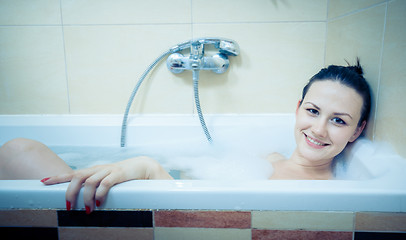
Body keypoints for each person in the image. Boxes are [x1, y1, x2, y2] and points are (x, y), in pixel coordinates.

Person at [0, 59, 372, 213]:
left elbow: (192, 216)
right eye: (312, 111)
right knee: (20, 150)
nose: (318, 129)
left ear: (357, 131)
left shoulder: (320, 191)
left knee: (19, 150)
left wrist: (147, 168)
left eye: (338, 121)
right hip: (161, 193)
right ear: (297, 109)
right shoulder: (269, 158)